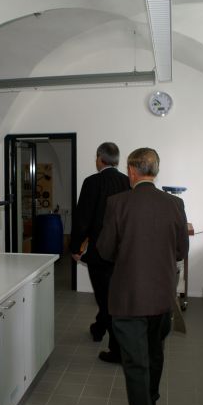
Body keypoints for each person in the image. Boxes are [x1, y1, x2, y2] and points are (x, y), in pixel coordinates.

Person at [97, 147, 189, 405]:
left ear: (131, 171)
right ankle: (152, 398)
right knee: (155, 353)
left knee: (136, 364)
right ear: (155, 172)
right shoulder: (175, 204)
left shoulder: (117, 203)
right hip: (162, 296)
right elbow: (181, 250)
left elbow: (105, 250)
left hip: (129, 298)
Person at [70, 142, 130, 363]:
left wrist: (75, 248)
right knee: (113, 297)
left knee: (105, 299)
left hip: (99, 252)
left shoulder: (92, 182)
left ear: (99, 158)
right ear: (117, 159)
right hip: (123, 251)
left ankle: (115, 347)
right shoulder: (128, 182)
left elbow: (82, 218)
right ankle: (98, 328)